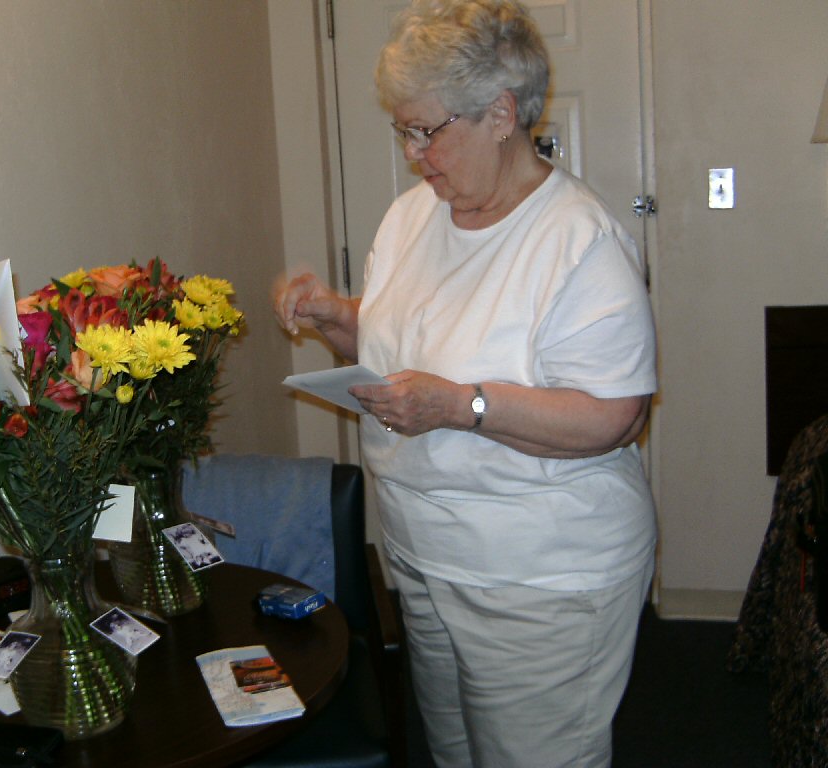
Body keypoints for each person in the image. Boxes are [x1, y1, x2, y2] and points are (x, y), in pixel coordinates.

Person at [272, 2, 657, 766]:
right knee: (453, 751)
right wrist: (338, 317)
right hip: (423, 553)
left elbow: (616, 414)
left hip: (541, 576)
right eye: (404, 131)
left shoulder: (579, 242)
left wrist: (463, 405)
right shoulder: (412, 217)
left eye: (427, 131)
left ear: (501, 114)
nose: (415, 154)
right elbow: (399, 339)